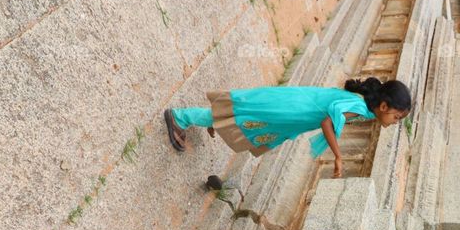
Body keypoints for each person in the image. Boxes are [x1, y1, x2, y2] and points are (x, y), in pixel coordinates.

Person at [164, 77, 411, 178]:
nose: (394, 122)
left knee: (249, 116)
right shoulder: (358, 106)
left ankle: (211, 120)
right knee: (248, 116)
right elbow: (327, 122)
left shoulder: (363, 106)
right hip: (294, 109)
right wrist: (338, 157)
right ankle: (180, 117)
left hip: (297, 107)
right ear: (384, 106)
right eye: (397, 117)